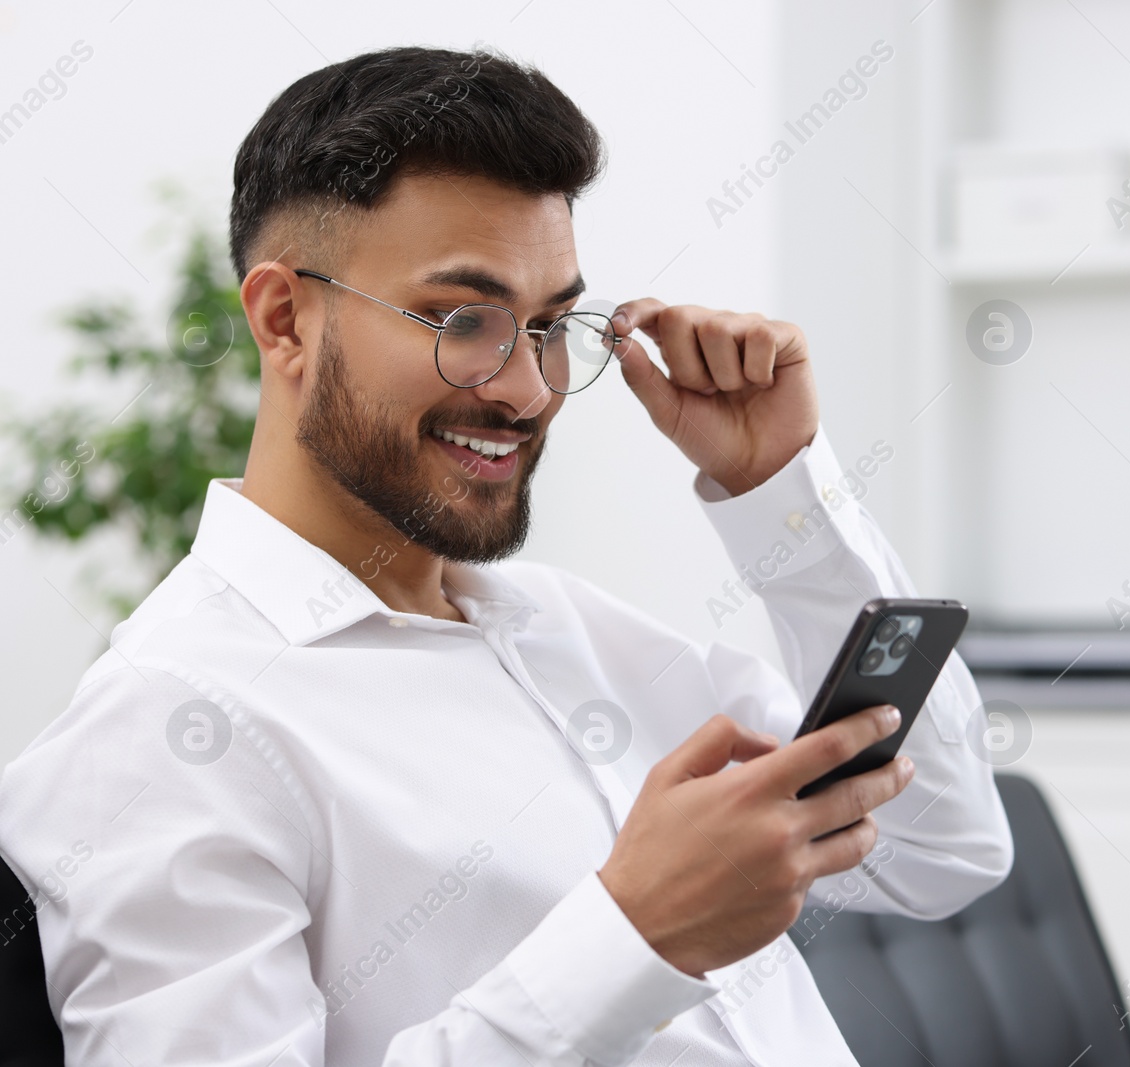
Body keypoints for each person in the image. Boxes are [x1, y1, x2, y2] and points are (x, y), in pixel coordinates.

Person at [0, 45, 1011, 1066]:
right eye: (462, 318)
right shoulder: (162, 731)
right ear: (284, 317)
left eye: (545, 324)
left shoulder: (575, 631)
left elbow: (941, 849)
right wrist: (635, 936)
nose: (527, 390)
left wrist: (781, 490)